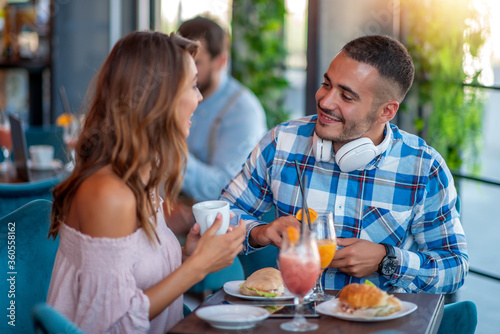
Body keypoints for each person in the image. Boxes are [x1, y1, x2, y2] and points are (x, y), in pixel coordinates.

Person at [221, 34, 468, 294]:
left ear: (386, 112)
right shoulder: (282, 142)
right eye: (326, 84)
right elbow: (221, 215)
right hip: (292, 315)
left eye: (346, 96)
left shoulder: (423, 167)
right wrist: (260, 231)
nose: (325, 101)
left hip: (375, 322)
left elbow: (455, 268)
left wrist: (387, 261)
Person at [46, 31, 246, 333]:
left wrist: (187, 256)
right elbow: (113, 324)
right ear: (159, 100)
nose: (200, 97)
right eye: (192, 85)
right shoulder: (109, 194)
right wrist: (198, 267)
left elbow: (131, 278)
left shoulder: (139, 177)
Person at [167, 16, 267, 234]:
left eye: (196, 62)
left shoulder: (242, 112)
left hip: (215, 226)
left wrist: (167, 149)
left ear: (220, 61)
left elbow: (223, 191)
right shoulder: (172, 93)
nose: (184, 71)